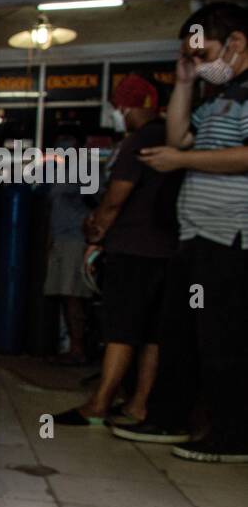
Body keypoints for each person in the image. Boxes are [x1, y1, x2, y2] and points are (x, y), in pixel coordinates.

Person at [114, 2, 248, 462]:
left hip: (231, 234)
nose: (198, 62)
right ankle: (167, 418)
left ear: (236, 43)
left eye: (203, 53)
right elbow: (176, 140)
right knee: (180, 333)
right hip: (193, 234)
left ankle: (232, 436)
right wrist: (186, 85)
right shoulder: (217, 95)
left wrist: (183, 163)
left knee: (221, 336)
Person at [52, 75, 178, 427]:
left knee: (121, 328)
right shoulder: (174, 137)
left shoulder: (138, 141)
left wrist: (97, 227)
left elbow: (117, 195)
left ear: (125, 107)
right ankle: (139, 404)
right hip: (167, 248)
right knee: (152, 332)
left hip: (134, 246)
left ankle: (100, 403)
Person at [41, 127, 93, 365]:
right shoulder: (56, 174)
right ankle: (72, 346)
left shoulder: (84, 172)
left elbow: (96, 204)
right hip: (61, 239)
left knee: (74, 297)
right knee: (64, 296)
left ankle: (78, 349)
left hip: (75, 240)